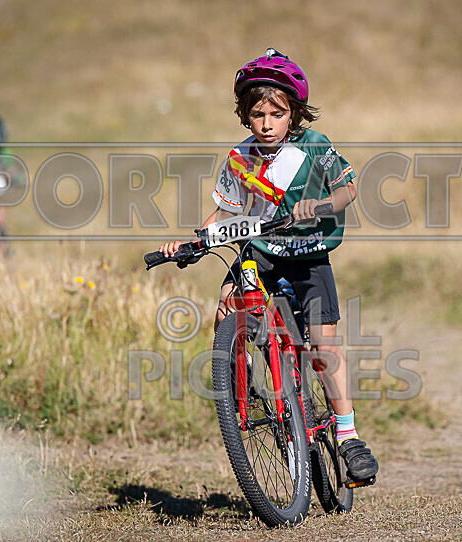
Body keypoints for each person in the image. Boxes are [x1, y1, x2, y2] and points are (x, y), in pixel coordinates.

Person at [159, 48, 379, 483]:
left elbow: (347, 191)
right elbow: (225, 212)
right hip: (259, 251)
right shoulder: (239, 158)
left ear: (293, 113)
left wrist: (320, 206)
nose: (266, 123)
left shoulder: (314, 146)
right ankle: (245, 388)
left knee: (323, 345)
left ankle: (348, 435)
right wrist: (192, 241)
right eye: (257, 114)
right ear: (245, 115)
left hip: (308, 254)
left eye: (277, 114)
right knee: (226, 304)